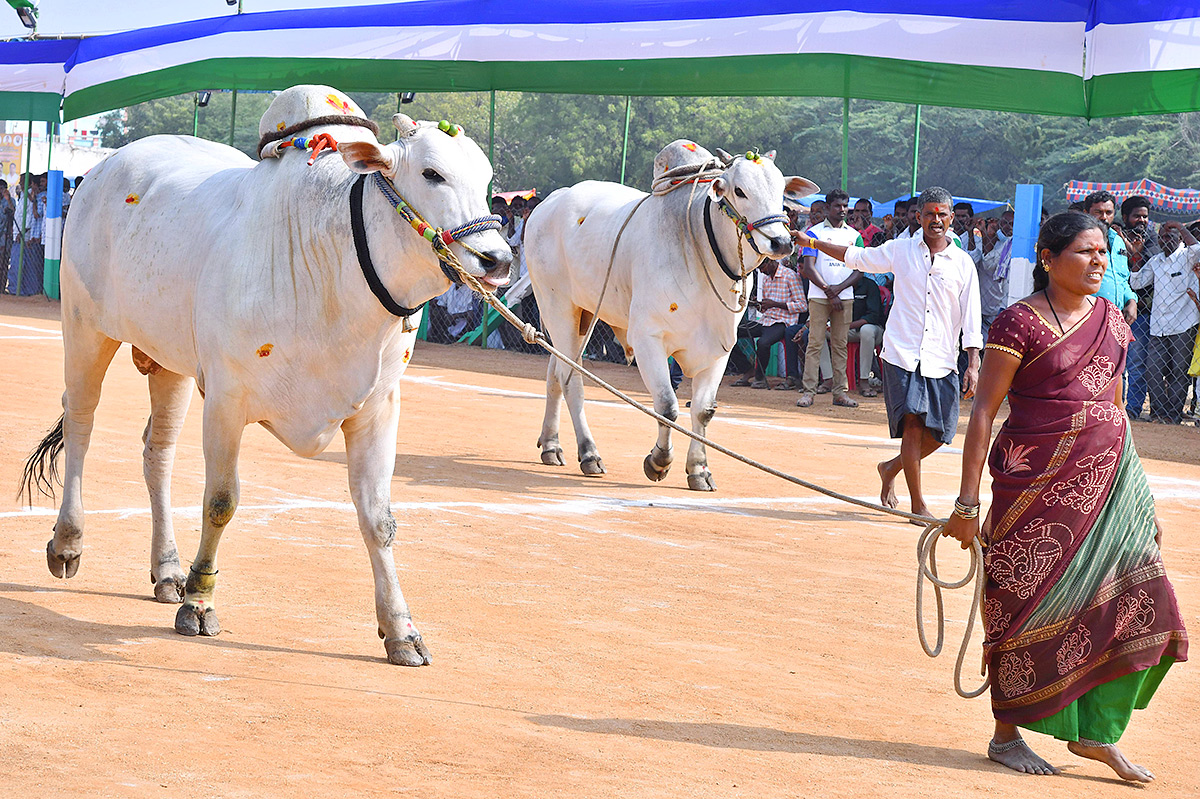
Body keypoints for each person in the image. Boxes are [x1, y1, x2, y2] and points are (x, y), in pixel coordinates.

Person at [941, 211, 1187, 783]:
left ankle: (1095, 733)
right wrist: (965, 503)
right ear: (1048, 259)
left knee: (1132, 604)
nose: (1099, 261)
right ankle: (1007, 735)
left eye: (1104, 252)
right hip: (1034, 491)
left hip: (1109, 487)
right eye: (1085, 251)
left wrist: (1139, 502)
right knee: (1022, 604)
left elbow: (1118, 411)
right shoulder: (1017, 324)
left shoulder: (1116, 322)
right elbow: (983, 411)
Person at [796, 186, 981, 517]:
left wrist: (973, 363)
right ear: (919, 217)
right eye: (929, 214)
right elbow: (856, 257)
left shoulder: (963, 263)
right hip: (901, 352)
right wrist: (812, 242)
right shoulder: (899, 250)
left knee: (941, 433)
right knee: (913, 423)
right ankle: (918, 505)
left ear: (952, 218)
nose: (935, 220)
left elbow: (971, 315)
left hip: (941, 357)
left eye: (942, 214)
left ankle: (891, 468)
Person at [1129, 220, 1200, 424]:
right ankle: (1158, 412)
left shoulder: (1188, 256)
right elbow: (1137, 282)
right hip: (1158, 325)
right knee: (1153, 371)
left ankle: (1173, 415)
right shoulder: (1156, 261)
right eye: (1162, 237)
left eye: (1170, 236)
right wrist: (1137, 256)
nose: (1165, 240)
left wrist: (1180, 226)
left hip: (1183, 324)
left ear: (1179, 239)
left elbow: (1197, 247)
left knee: (1179, 371)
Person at [797, 189, 863, 408]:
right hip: (819, 296)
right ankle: (808, 391)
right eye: (837, 206)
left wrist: (838, 289)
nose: (842, 210)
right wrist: (828, 290)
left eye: (845, 206)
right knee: (814, 343)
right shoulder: (814, 233)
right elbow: (808, 267)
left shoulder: (855, 236)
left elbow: (860, 269)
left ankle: (840, 393)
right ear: (827, 208)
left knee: (840, 345)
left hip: (843, 296)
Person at [748, 257, 806, 389]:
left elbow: (802, 306)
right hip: (766, 320)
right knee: (735, 331)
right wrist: (760, 305)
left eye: (762, 267)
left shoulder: (790, 276)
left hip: (783, 321)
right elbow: (767, 308)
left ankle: (760, 378)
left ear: (771, 262)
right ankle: (747, 368)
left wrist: (775, 304)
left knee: (762, 343)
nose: (761, 271)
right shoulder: (767, 278)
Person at [1120, 196, 1153, 419]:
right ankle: (1112, 406)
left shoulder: (1153, 240)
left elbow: (1145, 274)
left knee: (1137, 364)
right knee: (1114, 364)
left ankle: (1132, 409)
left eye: (1145, 216)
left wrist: (1135, 251)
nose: (1141, 220)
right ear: (1125, 218)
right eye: (1137, 216)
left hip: (1142, 313)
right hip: (1113, 308)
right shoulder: (1113, 236)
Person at [1084, 191, 1137, 324]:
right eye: (1098, 212)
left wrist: (1131, 301)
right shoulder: (1078, 241)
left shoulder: (1118, 240)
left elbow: (1122, 278)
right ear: (1085, 213)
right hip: (1085, 316)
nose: (1104, 217)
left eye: (1109, 212)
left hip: (1116, 318)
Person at [847, 276, 885, 396]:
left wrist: (848, 326)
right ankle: (828, 379)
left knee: (866, 330)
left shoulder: (869, 285)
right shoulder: (839, 286)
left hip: (872, 329)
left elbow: (873, 316)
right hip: (846, 330)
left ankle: (864, 379)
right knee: (818, 332)